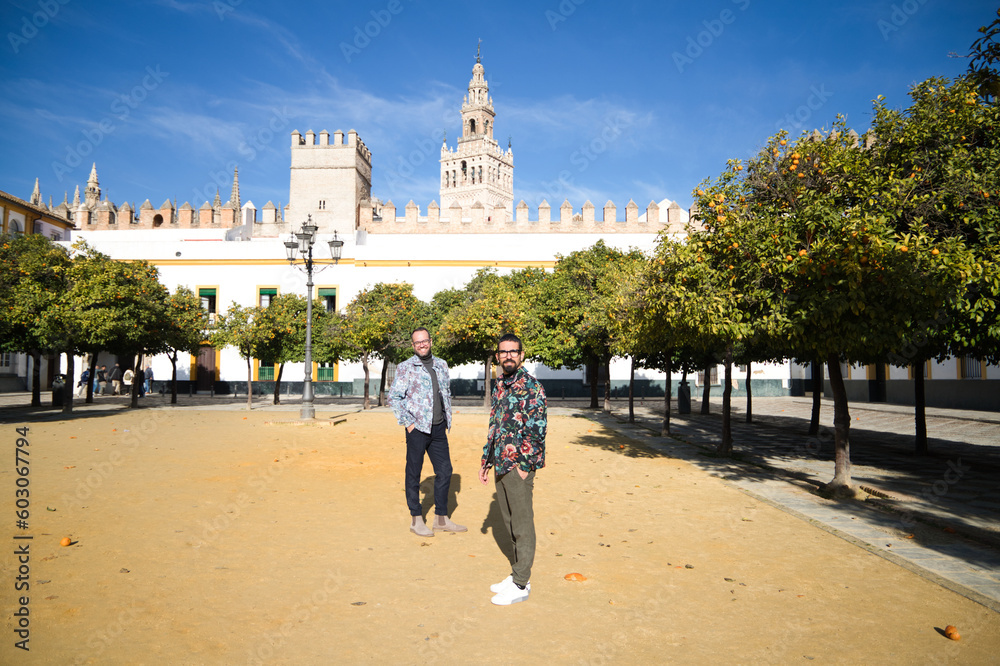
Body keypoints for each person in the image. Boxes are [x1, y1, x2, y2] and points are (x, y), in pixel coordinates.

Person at [480, 333, 547, 606]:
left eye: (513, 351)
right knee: (508, 522)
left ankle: (521, 584)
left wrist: (525, 466)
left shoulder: (532, 387)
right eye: (503, 352)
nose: (508, 356)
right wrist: (487, 460)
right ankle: (518, 574)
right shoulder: (500, 385)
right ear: (498, 356)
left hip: (518, 465)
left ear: (521, 355)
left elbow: (538, 429)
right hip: (500, 462)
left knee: (522, 524)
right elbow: (495, 423)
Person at [388, 327, 466, 538]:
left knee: (446, 470)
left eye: (425, 341)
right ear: (413, 346)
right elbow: (394, 397)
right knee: (413, 472)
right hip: (417, 429)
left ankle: (441, 518)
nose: (422, 344)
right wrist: (408, 423)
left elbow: (445, 392)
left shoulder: (441, 364)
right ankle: (416, 519)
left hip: (439, 427)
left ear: (430, 341)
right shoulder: (406, 367)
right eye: (417, 342)